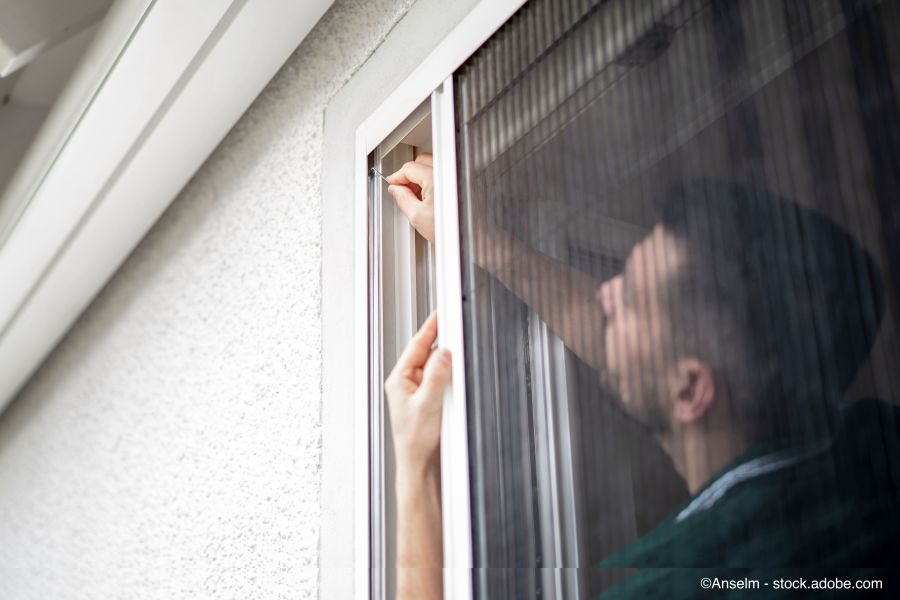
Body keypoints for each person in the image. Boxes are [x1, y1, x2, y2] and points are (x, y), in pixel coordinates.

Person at [384, 155, 900, 599]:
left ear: (691, 390)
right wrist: (487, 243)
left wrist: (415, 462)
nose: (604, 295)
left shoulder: (681, 580)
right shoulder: (873, 450)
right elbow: (638, 351)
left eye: (627, 300)